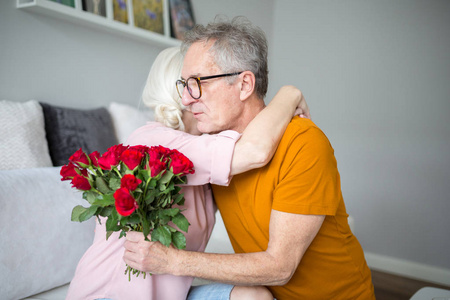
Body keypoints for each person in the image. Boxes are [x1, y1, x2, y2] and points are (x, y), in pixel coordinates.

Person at [123, 17, 376, 300]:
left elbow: (280, 266)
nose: (185, 99)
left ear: (244, 85)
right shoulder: (212, 150)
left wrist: (172, 261)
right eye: (184, 84)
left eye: (196, 83)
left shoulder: (303, 142)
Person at [66, 46, 308, 300]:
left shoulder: (204, 156)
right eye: (200, 81)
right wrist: (289, 94)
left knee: (252, 296)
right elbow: (256, 149)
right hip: (111, 295)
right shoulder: (154, 141)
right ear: (182, 89)